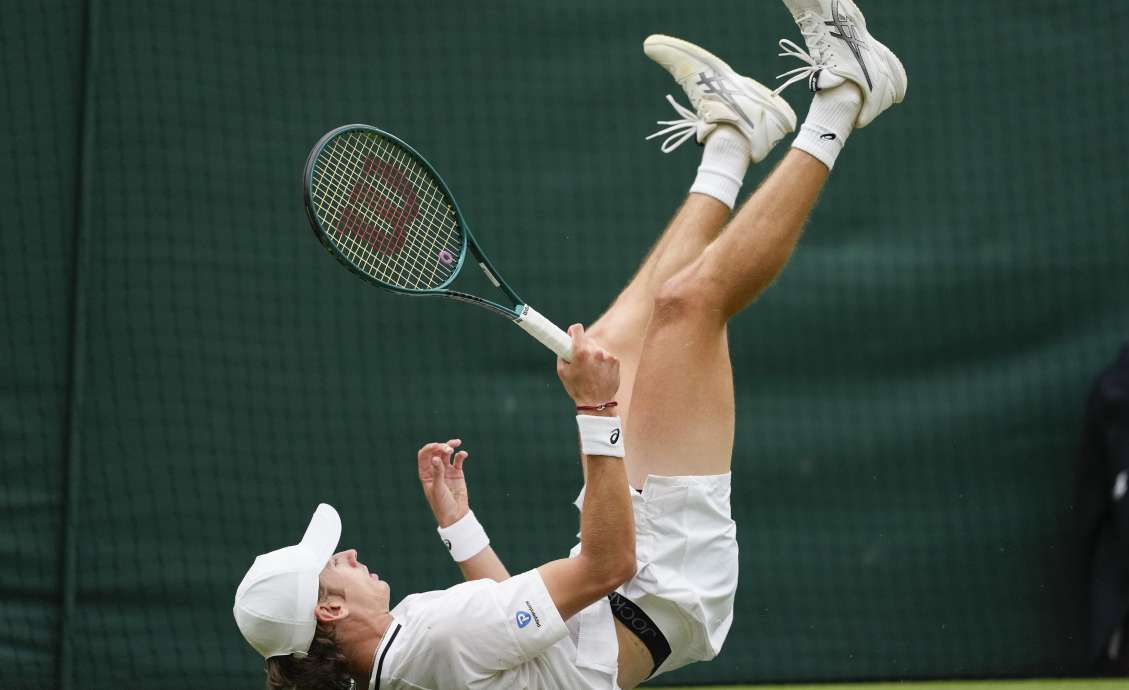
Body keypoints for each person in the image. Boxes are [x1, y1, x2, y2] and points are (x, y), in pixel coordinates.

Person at [233, 1, 906, 688]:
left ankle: (736, 139)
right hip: (661, 575)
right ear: (330, 607)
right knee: (689, 306)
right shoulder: (427, 640)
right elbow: (602, 568)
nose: (346, 553)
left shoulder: (404, 660)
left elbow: (517, 642)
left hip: (635, 591)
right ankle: (846, 94)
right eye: (331, 562)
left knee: (619, 333)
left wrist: (461, 528)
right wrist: (596, 410)